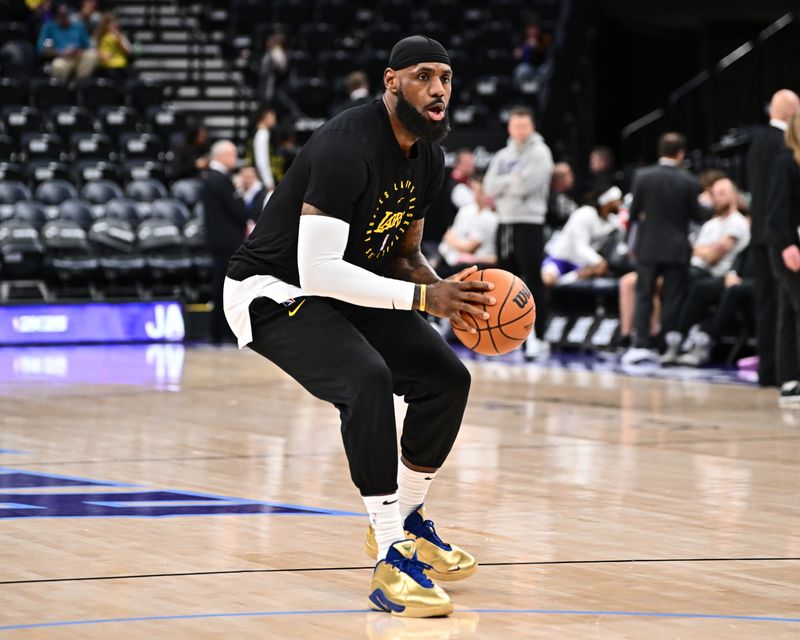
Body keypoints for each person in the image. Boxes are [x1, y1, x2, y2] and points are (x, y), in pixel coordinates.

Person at [223, 36, 492, 618]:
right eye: (424, 76)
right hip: (274, 290)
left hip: (352, 286)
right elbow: (316, 271)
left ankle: (407, 521)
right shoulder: (347, 145)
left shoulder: (430, 157)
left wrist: (453, 295)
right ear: (391, 81)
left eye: (446, 77)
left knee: (445, 378)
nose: (440, 89)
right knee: (366, 380)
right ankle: (390, 554)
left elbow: (406, 255)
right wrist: (427, 296)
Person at [622, 132, 705, 365]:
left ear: (660, 151)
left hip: (647, 245)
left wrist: (629, 242)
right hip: (677, 247)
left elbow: (634, 214)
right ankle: (666, 345)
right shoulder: (688, 180)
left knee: (644, 294)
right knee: (673, 297)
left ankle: (640, 344)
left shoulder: (643, 176)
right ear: (680, 154)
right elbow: (697, 216)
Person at [484, 106, 553, 359]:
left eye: (524, 126)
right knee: (505, 281)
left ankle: (539, 336)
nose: (519, 130)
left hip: (529, 222)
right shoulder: (503, 154)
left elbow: (527, 185)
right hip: (505, 222)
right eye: (515, 126)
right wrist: (510, 181)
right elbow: (489, 187)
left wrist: (508, 184)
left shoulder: (541, 152)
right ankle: (506, 336)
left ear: (532, 126)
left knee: (532, 280)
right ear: (509, 127)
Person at [661, 177, 750, 364]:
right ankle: (672, 338)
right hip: (701, 272)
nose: (717, 198)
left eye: (722, 193)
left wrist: (700, 250)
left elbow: (712, 256)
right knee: (675, 279)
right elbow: (695, 250)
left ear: (734, 195)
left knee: (696, 285)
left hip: (724, 275)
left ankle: (693, 340)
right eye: (715, 194)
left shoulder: (738, 223)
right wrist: (703, 250)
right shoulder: (711, 224)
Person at [746, 89, 800, 388]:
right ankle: (786, 372)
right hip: (782, 236)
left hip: (762, 236)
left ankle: (773, 371)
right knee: (787, 305)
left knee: (771, 306)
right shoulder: (785, 150)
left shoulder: (756, 143)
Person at [203, 141, 253, 345]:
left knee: (221, 287)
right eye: (232, 155)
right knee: (227, 288)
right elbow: (239, 211)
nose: (235, 159)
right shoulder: (220, 179)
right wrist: (240, 191)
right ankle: (226, 332)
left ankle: (218, 332)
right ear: (222, 156)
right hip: (227, 242)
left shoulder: (211, 178)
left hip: (219, 241)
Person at [767, 112, 800, 407]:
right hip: (789, 248)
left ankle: (790, 379)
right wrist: (788, 244)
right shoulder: (786, 162)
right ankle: (792, 379)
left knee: (789, 312)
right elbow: (777, 212)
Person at [541, 185, 622, 287]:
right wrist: (599, 261)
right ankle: (561, 281)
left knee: (600, 270)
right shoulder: (585, 214)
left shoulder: (612, 221)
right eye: (617, 201)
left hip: (582, 265)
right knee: (548, 280)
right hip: (560, 258)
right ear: (608, 202)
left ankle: (566, 280)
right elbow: (579, 247)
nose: (620, 204)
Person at [422, 148, 476, 261]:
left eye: (472, 162)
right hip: (448, 238)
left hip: (450, 237)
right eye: (468, 163)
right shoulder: (458, 186)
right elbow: (474, 209)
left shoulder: (466, 182)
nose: (472, 165)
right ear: (458, 163)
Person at [437, 176, 497, 276]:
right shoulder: (466, 210)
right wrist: (455, 243)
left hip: (476, 265)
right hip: (450, 257)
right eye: (476, 190)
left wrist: (452, 241)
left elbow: (468, 248)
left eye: (481, 191)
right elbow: (448, 234)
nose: (477, 195)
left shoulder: (491, 217)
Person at [37, 1, 97, 85]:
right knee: (58, 65)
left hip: (79, 57)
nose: (64, 17)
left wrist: (79, 51)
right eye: (61, 15)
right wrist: (62, 52)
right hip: (62, 58)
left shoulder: (78, 26)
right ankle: (61, 89)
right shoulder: (50, 28)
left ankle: (78, 85)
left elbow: (87, 45)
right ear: (56, 16)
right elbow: (45, 49)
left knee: (92, 55)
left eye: (66, 14)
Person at [93, 12, 131, 78]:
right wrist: (100, 54)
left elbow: (127, 51)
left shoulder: (120, 36)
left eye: (115, 24)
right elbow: (94, 50)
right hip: (102, 66)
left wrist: (119, 41)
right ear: (105, 25)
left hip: (118, 66)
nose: (113, 26)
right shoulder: (98, 37)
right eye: (110, 24)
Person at [546, 161, 578, 232]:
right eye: (569, 174)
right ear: (560, 179)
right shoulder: (558, 198)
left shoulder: (563, 195)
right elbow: (577, 216)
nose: (572, 177)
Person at [256, 33, 288, 106]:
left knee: (270, 103)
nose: (267, 42)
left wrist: (274, 66)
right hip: (266, 79)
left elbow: (281, 67)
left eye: (270, 41)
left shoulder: (277, 52)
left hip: (273, 81)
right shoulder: (271, 51)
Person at [252, 105, 278, 193]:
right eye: (272, 116)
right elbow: (262, 161)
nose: (274, 119)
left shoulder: (261, 133)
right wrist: (269, 182)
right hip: (263, 181)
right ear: (264, 116)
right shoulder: (262, 134)